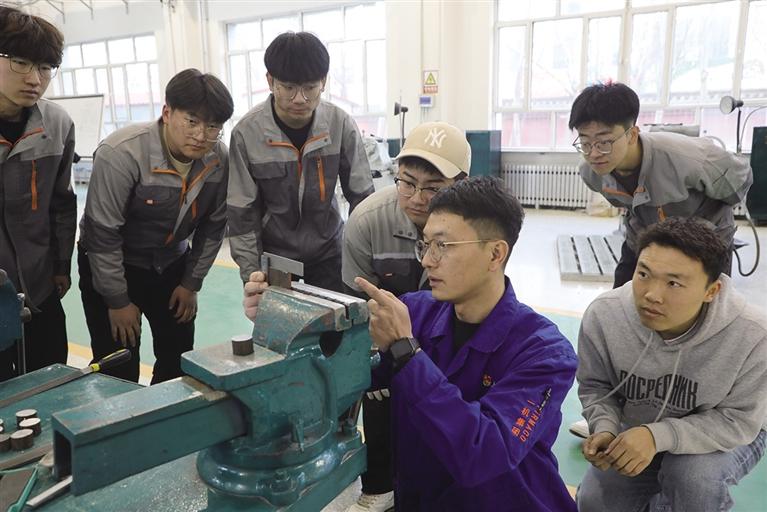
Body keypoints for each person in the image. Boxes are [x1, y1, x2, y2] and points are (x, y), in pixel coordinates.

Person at [244, 177, 578, 511]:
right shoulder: (416, 312)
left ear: (495, 253)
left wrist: (407, 353)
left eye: (443, 246)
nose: (427, 260)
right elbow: (341, 376)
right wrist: (285, 318)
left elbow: (483, 453)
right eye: (426, 244)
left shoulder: (544, 353)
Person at [576, 217, 767, 512]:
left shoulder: (752, 334)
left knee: (692, 479)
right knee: (595, 501)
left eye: (674, 283)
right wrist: (605, 427)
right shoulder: (605, 315)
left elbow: (739, 420)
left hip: (728, 433)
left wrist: (658, 436)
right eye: (643, 274)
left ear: (712, 291)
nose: (652, 294)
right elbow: (596, 386)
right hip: (639, 426)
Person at [341, 121, 471, 511]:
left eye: (433, 188)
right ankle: (379, 483)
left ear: (462, 184)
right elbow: (357, 307)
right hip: (384, 337)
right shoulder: (366, 222)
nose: (417, 198)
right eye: (407, 183)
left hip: (451, 334)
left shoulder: (476, 227)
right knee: (376, 386)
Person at [78, 68, 233, 384]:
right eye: (192, 121)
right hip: (115, 265)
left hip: (171, 263)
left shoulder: (218, 159)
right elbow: (102, 234)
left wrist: (191, 283)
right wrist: (117, 300)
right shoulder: (121, 153)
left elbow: (214, 224)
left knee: (178, 362)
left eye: (213, 126)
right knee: (117, 367)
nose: (201, 135)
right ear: (167, 113)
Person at [227, 31, 374, 292]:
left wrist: (361, 262)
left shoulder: (340, 125)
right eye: (288, 87)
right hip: (275, 258)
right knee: (277, 319)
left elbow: (363, 201)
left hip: (329, 252)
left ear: (324, 82)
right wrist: (253, 275)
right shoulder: (247, 134)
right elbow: (242, 214)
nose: (299, 98)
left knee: (336, 317)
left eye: (309, 88)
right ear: (270, 81)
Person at [568, 81, 753, 288]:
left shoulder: (686, 159)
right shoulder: (591, 173)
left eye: (604, 142)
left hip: (706, 240)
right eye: (585, 143)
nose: (593, 153)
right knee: (622, 294)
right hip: (646, 233)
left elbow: (740, 179)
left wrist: (705, 224)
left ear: (632, 135)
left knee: (701, 302)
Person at [0, 6, 76, 381]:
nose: (35, 79)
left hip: (40, 287)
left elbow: (62, 203)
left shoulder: (57, 124)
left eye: (45, 67)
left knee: (52, 380)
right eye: (20, 62)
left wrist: (61, 265)